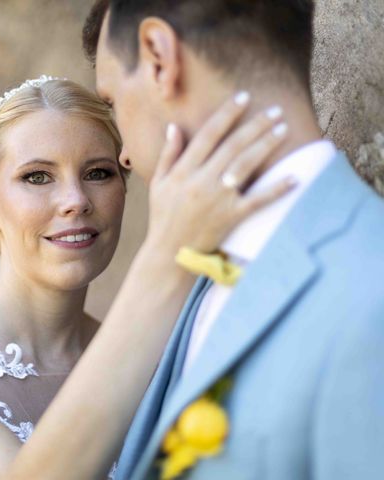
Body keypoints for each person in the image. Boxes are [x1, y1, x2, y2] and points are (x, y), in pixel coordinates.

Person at [0, 76, 292, 479]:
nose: (75, 200)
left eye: (98, 173)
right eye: (37, 177)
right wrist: (169, 259)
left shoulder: (162, 365)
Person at [82, 1, 384, 479]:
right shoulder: (190, 268)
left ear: (160, 59)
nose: (123, 155)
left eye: (113, 101)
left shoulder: (370, 290)